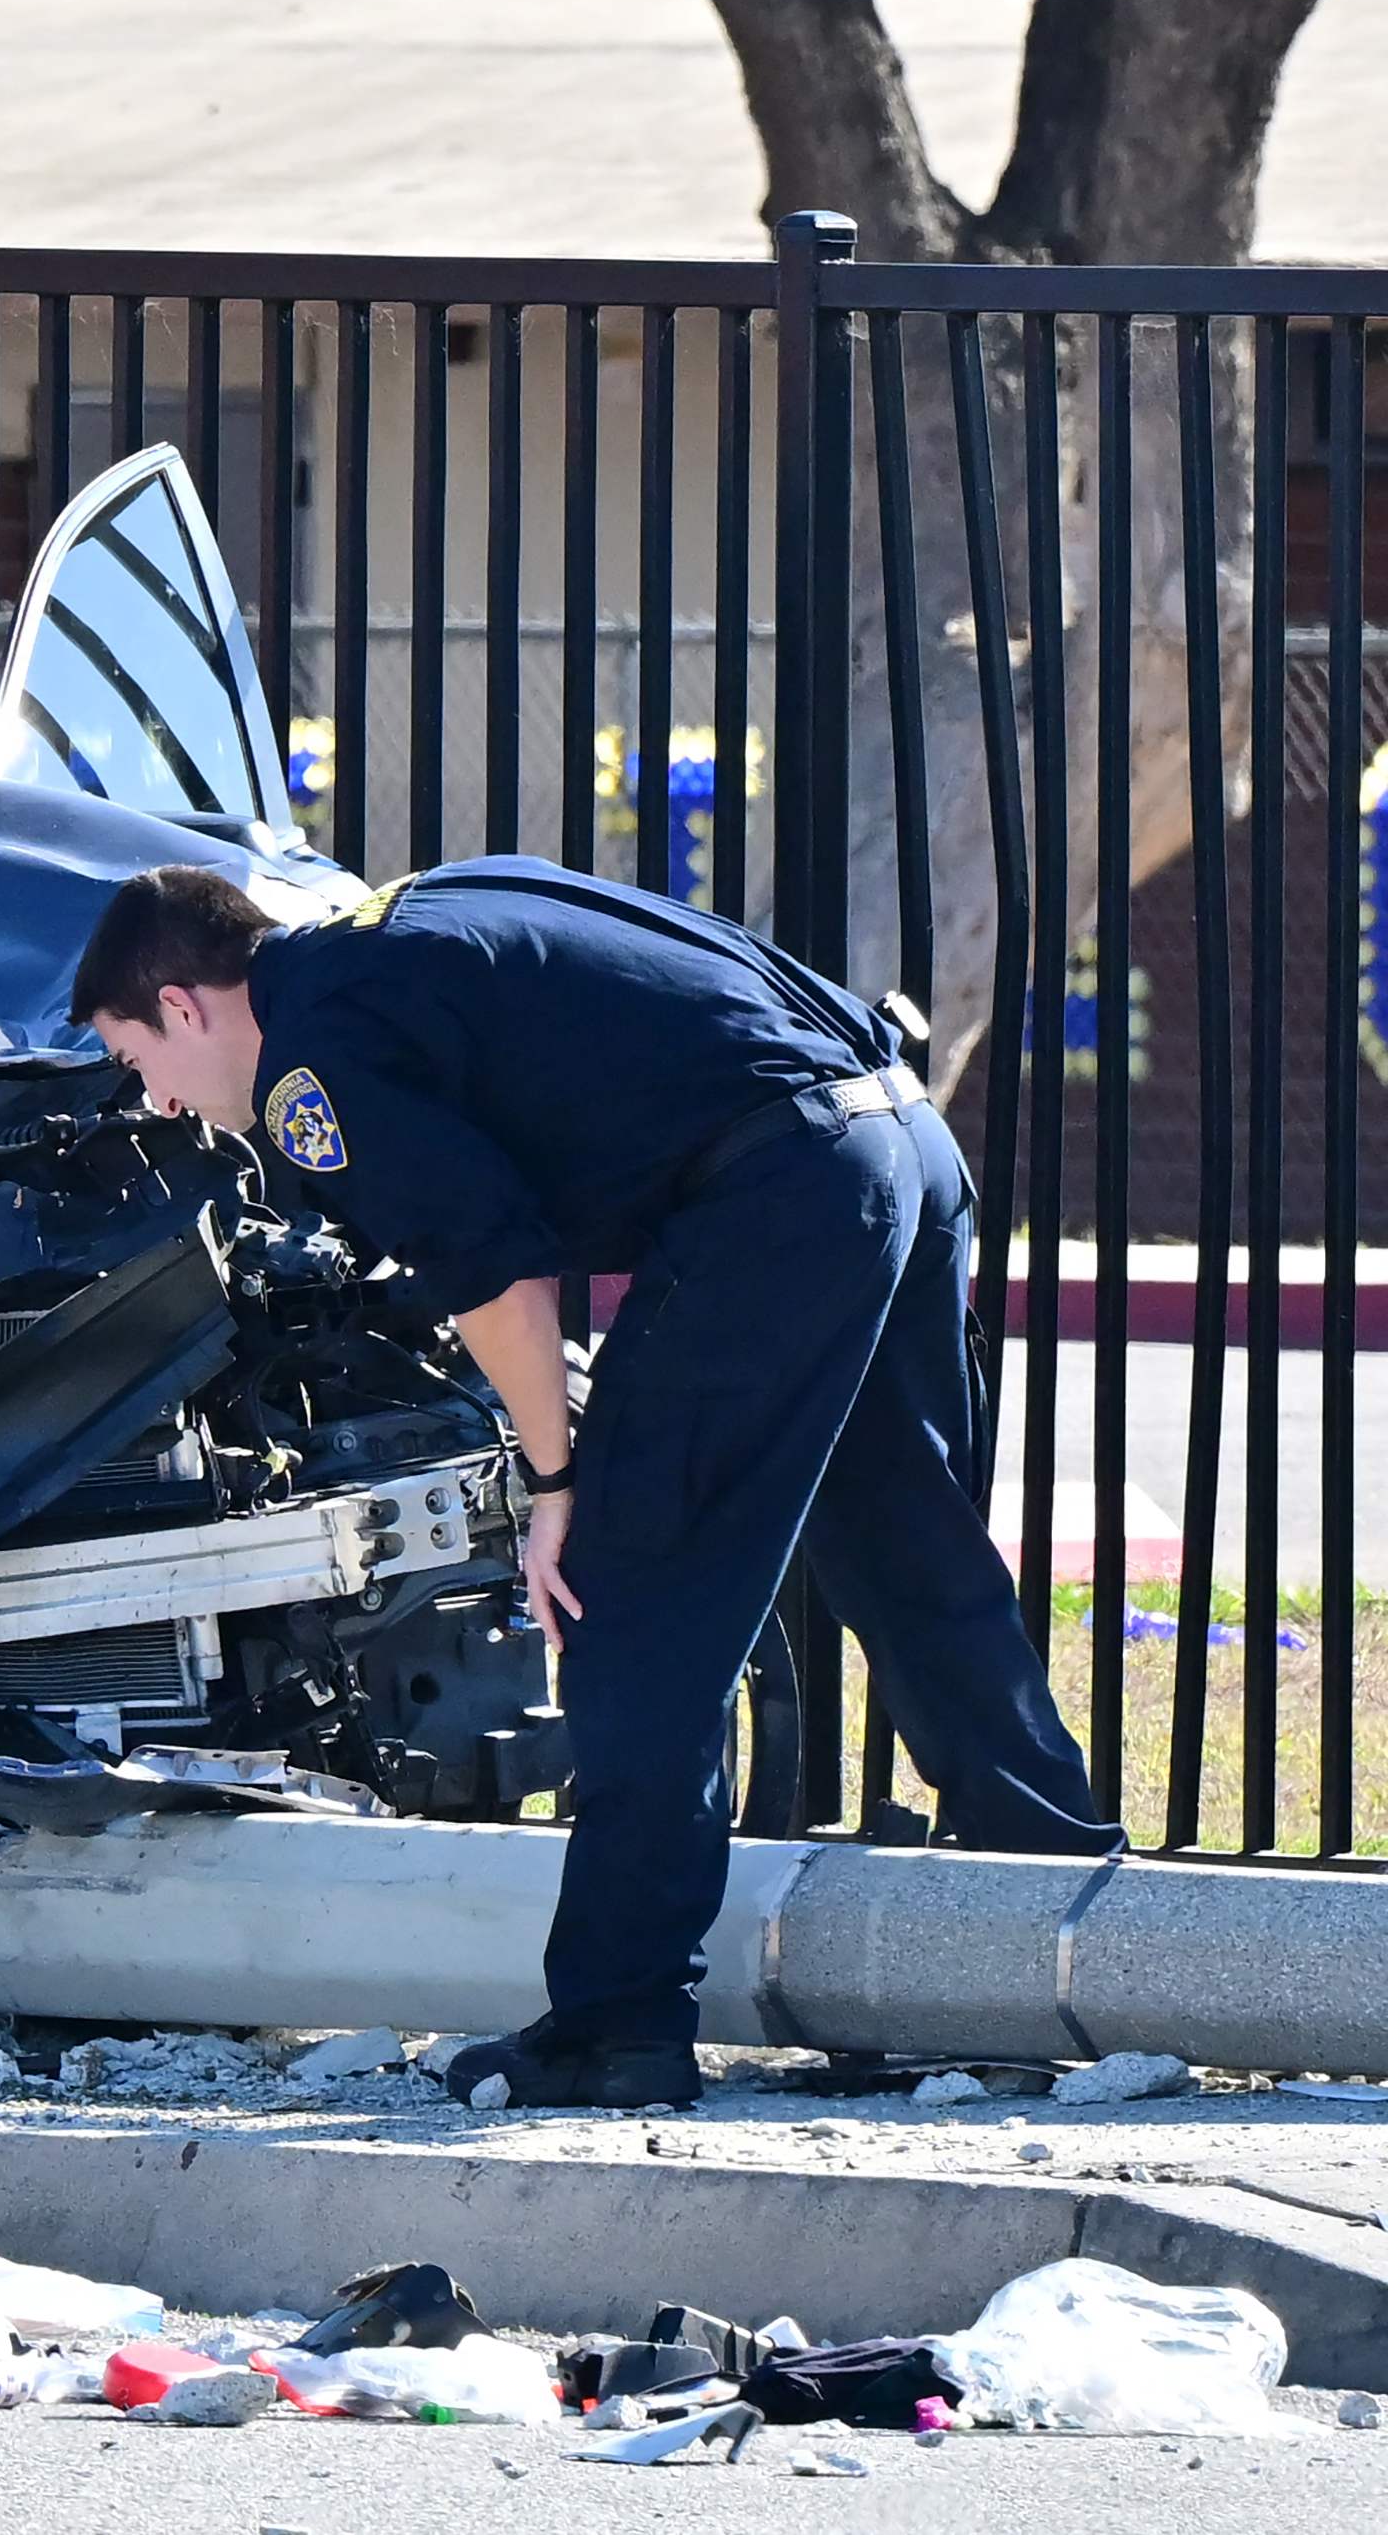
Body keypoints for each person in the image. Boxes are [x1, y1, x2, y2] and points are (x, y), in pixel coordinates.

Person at [70, 857, 1121, 2108]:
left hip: (775, 1195)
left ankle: (618, 2021)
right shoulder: (410, 914)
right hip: (895, 1140)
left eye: (138, 1063)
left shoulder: (315, 1056)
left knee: (633, 1597)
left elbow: (497, 1275)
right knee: (912, 1556)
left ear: (183, 1005)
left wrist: (556, 1477)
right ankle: (1071, 1920)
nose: (162, 1102)